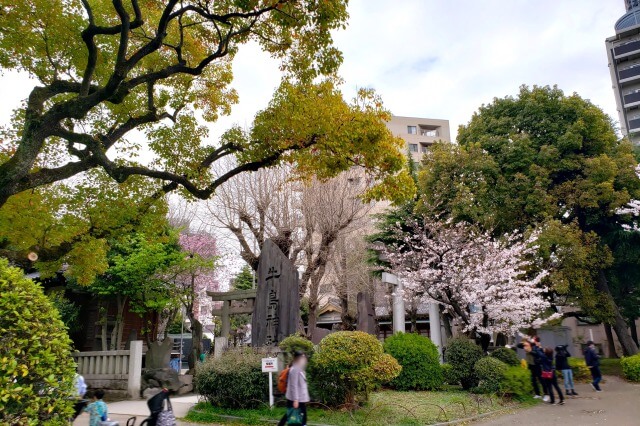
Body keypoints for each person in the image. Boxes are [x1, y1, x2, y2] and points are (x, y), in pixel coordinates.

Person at [278, 351, 310, 426]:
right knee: (299, 415)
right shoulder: (295, 369)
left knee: (290, 414)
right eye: (302, 358)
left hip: (299, 398)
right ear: (297, 359)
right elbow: (293, 385)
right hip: (295, 398)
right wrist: (296, 400)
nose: (304, 360)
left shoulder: (299, 368)